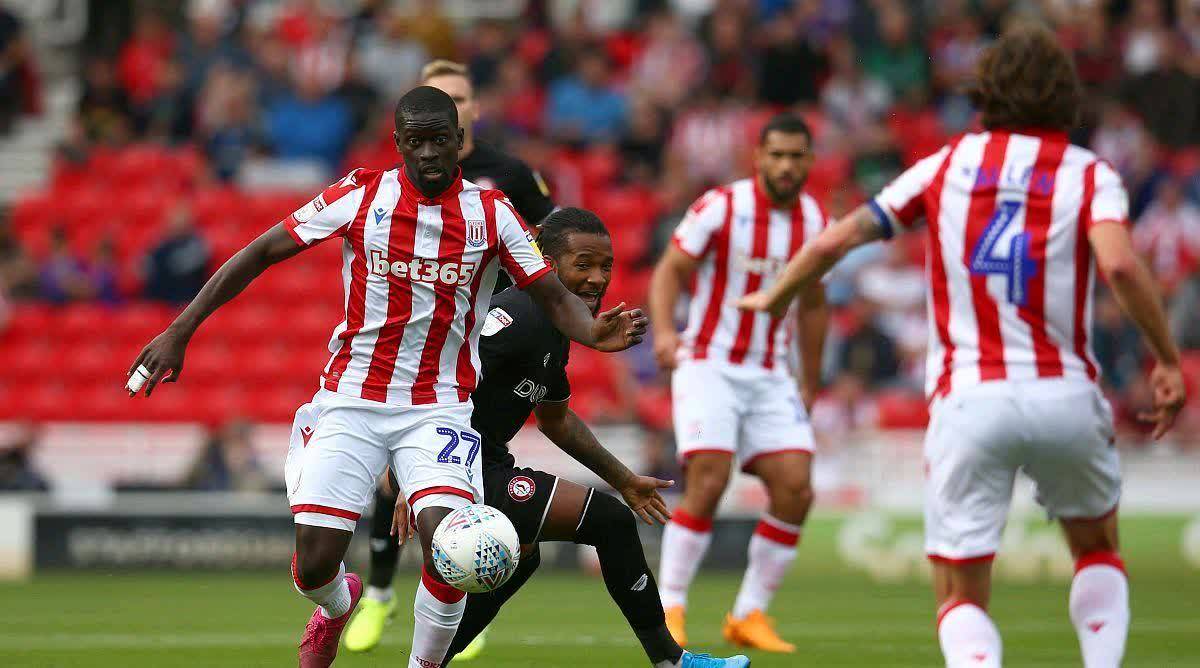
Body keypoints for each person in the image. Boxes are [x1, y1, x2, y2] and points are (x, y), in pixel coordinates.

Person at [126, 85, 647, 668]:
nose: (428, 153)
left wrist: (592, 332)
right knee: (314, 565)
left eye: (440, 140)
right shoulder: (361, 195)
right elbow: (261, 251)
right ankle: (336, 604)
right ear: (398, 142)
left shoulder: (492, 213)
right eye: (416, 141)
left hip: (438, 408)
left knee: (451, 544)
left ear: (458, 141)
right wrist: (180, 329)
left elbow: (551, 295)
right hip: (351, 400)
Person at [739, 26, 1187, 668]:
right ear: (1064, 94)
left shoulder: (946, 165)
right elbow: (1118, 264)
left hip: (971, 398)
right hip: (1064, 393)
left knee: (960, 592)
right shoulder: (1089, 173)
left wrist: (776, 293)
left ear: (987, 90)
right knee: (1097, 548)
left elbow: (839, 238)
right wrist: (1166, 358)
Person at [376, 209, 748, 668]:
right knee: (609, 521)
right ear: (546, 266)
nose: (597, 278)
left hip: (484, 462)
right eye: (583, 264)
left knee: (521, 555)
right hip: (457, 465)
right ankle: (672, 661)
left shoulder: (554, 326)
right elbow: (435, 383)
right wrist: (418, 474)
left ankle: (427, 664)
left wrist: (624, 478)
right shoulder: (516, 316)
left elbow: (556, 421)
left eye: (606, 266)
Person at [345, 59, 557, 657]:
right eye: (440, 98)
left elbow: (552, 242)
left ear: (472, 113)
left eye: (460, 98)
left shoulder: (509, 177)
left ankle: (467, 586)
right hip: (417, 350)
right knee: (393, 478)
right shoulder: (396, 183)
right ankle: (380, 594)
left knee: (464, 475)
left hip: (489, 340)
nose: (451, 107)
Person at [648, 113, 829, 653]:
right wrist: (664, 332)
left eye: (796, 156)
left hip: (771, 372)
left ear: (810, 161)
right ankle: (669, 607)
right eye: (777, 155)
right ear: (759, 157)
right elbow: (670, 269)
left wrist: (810, 381)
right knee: (709, 478)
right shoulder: (722, 206)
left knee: (796, 488)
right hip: (709, 363)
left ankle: (749, 613)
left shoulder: (816, 220)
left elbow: (814, 305)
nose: (786, 166)